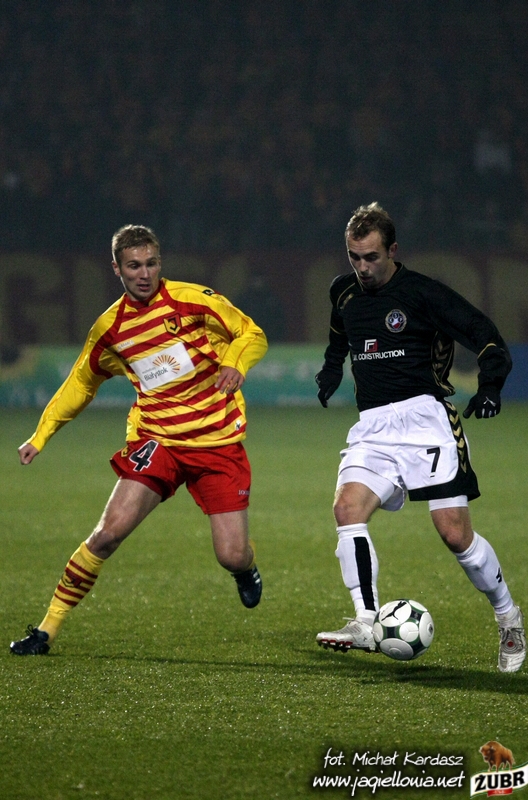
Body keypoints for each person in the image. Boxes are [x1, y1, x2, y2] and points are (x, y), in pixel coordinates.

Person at [10, 224, 268, 656]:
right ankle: (47, 629)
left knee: (231, 555)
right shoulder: (110, 328)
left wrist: (234, 363)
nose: (144, 274)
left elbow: (251, 333)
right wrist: (42, 435)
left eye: (150, 264)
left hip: (216, 441)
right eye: (133, 266)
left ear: (159, 263)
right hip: (157, 441)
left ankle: (245, 567)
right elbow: (81, 383)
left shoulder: (194, 300)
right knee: (107, 534)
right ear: (117, 269)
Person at [314, 202, 525, 673]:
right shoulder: (343, 292)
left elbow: (483, 333)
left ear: (392, 250)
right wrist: (331, 369)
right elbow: (339, 334)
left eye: (371, 257)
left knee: (455, 534)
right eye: (354, 257)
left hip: (425, 420)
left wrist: (491, 385)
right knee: (347, 510)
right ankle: (366, 621)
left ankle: (508, 616)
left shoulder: (424, 293)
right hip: (373, 426)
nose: (363, 267)